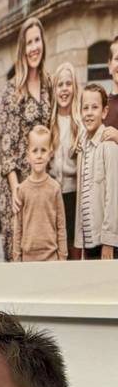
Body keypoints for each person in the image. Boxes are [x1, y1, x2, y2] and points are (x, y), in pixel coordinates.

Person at [0, 17, 51, 262]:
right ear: (23, 48)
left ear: (43, 43)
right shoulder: (11, 90)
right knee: (17, 257)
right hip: (17, 187)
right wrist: (16, 189)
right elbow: (5, 145)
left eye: (37, 40)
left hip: (43, 183)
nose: (34, 47)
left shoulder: (48, 84)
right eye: (29, 42)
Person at [10, 124, 66, 262]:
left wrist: (63, 257)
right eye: (35, 151)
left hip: (51, 258)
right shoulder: (22, 190)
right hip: (27, 258)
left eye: (43, 150)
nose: (39, 156)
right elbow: (18, 228)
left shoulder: (55, 188)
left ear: (50, 154)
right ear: (28, 156)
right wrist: (17, 258)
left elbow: (61, 226)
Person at [75, 83, 118, 260]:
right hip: (89, 241)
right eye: (85, 108)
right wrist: (81, 242)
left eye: (95, 107)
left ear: (104, 112)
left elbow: (113, 198)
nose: (89, 113)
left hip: (107, 243)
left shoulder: (109, 147)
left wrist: (109, 241)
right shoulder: (82, 150)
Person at [48, 63, 82, 259]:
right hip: (53, 196)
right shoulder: (50, 123)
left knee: (72, 247)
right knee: (55, 247)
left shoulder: (79, 123)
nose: (64, 89)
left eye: (68, 84)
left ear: (75, 87)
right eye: (60, 85)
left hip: (73, 196)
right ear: (55, 89)